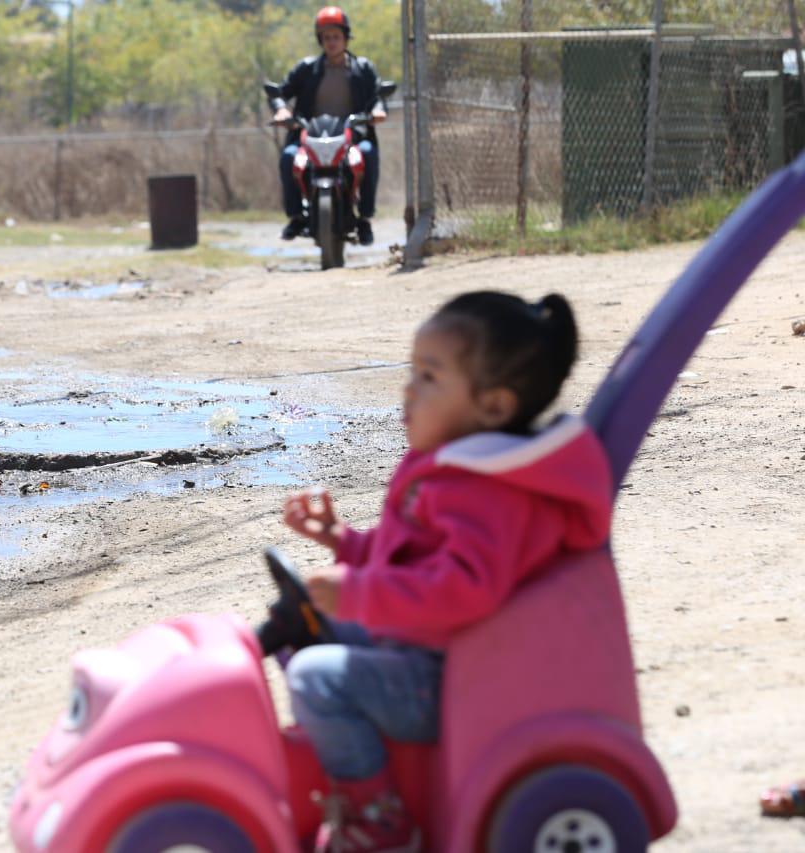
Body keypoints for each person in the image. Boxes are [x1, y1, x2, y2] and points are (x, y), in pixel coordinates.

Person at [280, 291, 613, 853]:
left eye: (429, 376)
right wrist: (342, 542)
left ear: (494, 407)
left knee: (316, 677)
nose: (409, 389)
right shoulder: (461, 470)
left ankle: (380, 824)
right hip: (430, 647)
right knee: (304, 624)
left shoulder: (488, 490)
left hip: (448, 677)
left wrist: (359, 594)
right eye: (412, 371)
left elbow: (463, 588)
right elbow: (413, 558)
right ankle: (342, 761)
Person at [268, 6, 389, 246]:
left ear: (346, 38)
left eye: (336, 37)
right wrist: (281, 110)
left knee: (368, 153)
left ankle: (365, 218)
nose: (332, 42)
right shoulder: (306, 68)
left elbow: (378, 96)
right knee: (289, 156)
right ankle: (296, 217)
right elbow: (280, 93)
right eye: (326, 37)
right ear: (320, 40)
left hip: (353, 135)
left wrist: (377, 111)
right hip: (310, 135)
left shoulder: (363, 68)